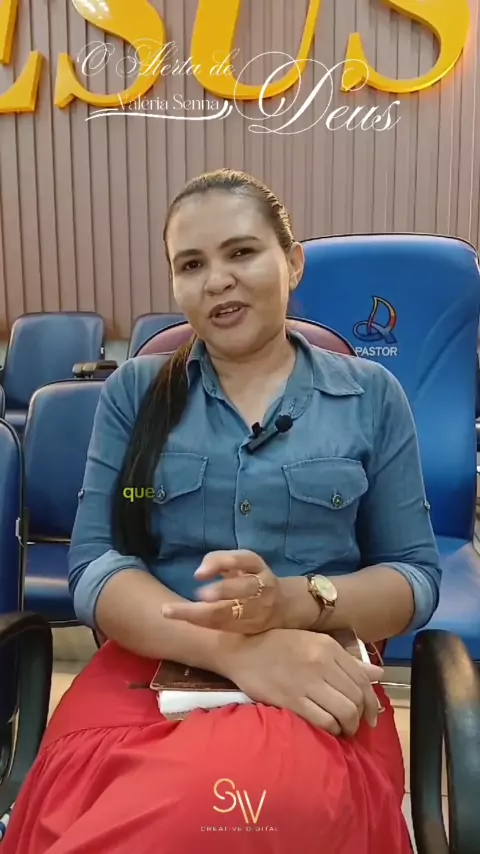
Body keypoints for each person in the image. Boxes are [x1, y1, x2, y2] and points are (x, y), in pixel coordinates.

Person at [4, 169, 441, 854]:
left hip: (314, 671)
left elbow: (413, 577)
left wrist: (294, 602)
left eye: (242, 252)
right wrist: (237, 651)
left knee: (248, 816)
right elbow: (96, 566)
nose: (217, 280)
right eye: (192, 264)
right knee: (83, 813)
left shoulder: (371, 396)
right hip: (151, 667)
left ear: (292, 262)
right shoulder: (136, 393)